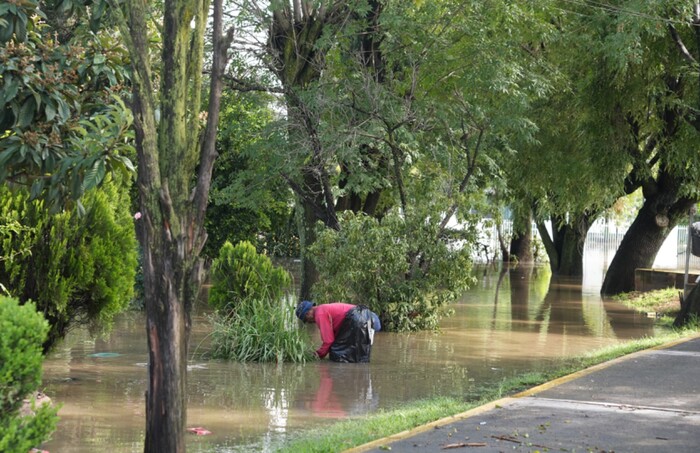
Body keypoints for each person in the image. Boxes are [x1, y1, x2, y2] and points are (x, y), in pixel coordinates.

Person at [295, 300, 380, 363]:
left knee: (337, 354)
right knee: (359, 358)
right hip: (368, 318)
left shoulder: (319, 314)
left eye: (306, 320)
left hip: (359, 321)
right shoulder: (323, 309)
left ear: (307, 314)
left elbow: (328, 341)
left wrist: (318, 354)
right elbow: (334, 336)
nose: (309, 322)